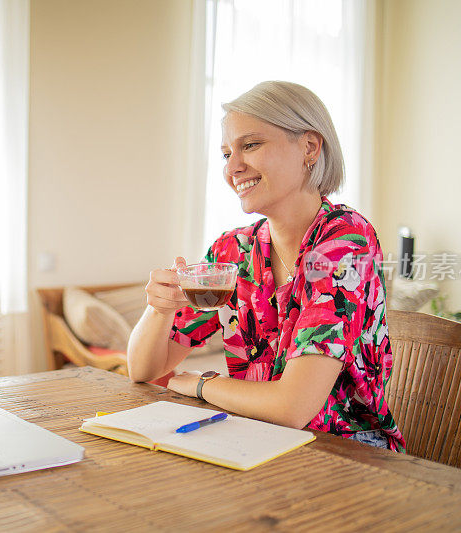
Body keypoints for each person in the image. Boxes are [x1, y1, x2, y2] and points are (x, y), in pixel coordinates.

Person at [126, 80, 405, 451]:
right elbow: (144, 370)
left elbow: (293, 408)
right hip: (253, 439)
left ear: (309, 147)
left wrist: (203, 384)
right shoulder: (233, 251)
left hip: (343, 454)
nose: (234, 167)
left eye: (250, 145)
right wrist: (158, 309)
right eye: (227, 153)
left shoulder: (345, 242)